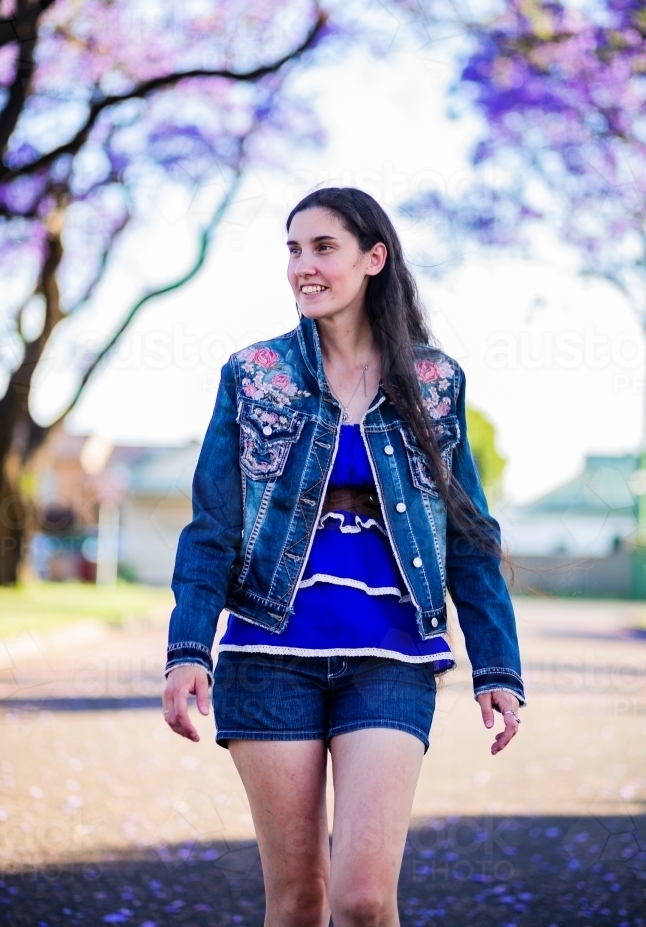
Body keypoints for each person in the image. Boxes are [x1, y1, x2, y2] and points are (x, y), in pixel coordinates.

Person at [163, 187, 524, 927]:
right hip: (267, 656)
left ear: (373, 258)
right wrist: (187, 648)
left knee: (363, 900)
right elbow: (212, 527)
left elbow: (469, 534)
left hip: (390, 661)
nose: (302, 266)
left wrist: (496, 664)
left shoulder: (433, 383)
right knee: (297, 901)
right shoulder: (254, 374)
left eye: (322, 247)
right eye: (292, 249)